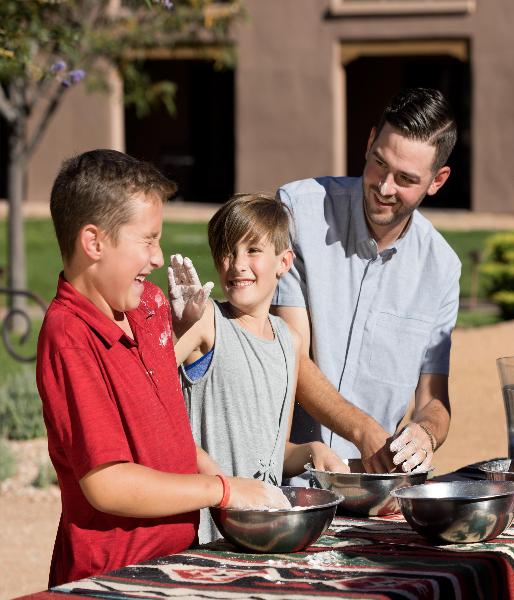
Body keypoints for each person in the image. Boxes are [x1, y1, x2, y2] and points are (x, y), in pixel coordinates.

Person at [36, 150, 286, 586]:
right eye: (148, 240)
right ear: (94, 243)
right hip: (112, 580)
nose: (158, 257)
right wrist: (222, 490)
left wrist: (234, 486)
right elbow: (108, 484)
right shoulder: (69, 336)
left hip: (173, 566)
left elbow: (169, 436)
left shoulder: (149, 306)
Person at [272, 88, 461, 474]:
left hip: (372, 483)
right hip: (285, 473)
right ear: (370, 141)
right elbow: (291, 355)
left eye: (406, 178)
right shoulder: (298, 211)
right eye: (380, 164)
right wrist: (362, 430)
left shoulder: (441, 268)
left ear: (437, 180)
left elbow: (433, 399)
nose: (385, 187)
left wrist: (425, 432)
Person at [169, 193, 346, 543]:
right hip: (205, 532)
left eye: (252, 250)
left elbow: (274, 450)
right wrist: (177, 328)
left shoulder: (290, 342)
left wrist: (312, 450)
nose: (237, 264)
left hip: (264, 528)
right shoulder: (207, 321)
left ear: (284, 262)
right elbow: (145, 383)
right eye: (227, 251)